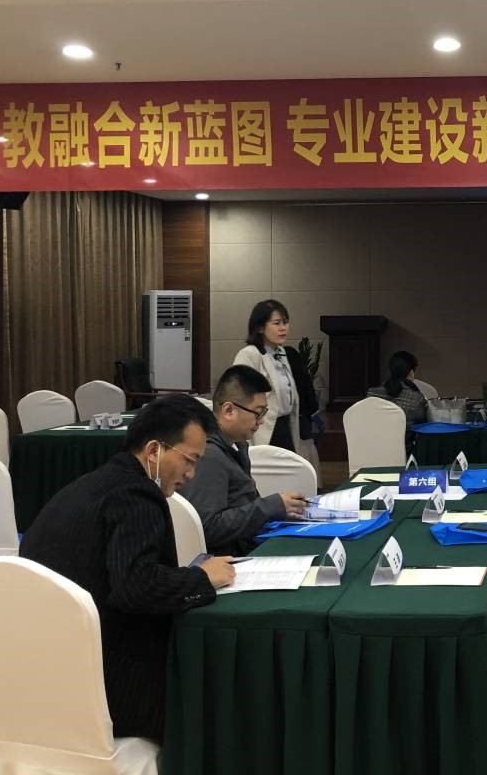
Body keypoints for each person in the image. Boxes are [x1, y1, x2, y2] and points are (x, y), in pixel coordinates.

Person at [19, 395, 234, 741]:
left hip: (38, 679)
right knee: (218, 691)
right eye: (189, 460)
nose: (191, 474)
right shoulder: (137, 496)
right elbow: (136, 587)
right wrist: (202, 579)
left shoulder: (86, 485)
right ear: (154, 451)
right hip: (106, 691)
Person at [179, 365, 311, 556]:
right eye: (258, 413)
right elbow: (207, 528)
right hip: (230, 560)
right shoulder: (209, 455)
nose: (262, 420)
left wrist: (279, 507)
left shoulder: (236, 445)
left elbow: (243, 504)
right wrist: (271, 506)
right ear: (229, 410)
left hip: (248, 544)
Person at [234, 299, 321, 465]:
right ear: (260, 327)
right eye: (277, 323)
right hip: (262, 430)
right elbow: (238, 398)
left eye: (285, 322)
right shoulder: (249, 354)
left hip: (286, 427)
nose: (283, 328)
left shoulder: (281, 353)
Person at [366, 350, 429, 424]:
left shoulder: (372, 393)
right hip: (404, 432)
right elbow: (422, 422)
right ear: (411, 373)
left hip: (375, 431)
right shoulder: (416, 398)